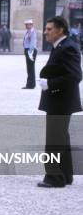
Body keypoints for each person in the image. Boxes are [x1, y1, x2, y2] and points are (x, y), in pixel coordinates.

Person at [37, 16, 82, 188]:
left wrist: (50, 84)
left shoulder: (67, 48)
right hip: (60, 100)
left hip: (60, 100)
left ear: (60, 30)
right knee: (61, 138)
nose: (45, 32)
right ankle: (66, 175)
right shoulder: (62, 46)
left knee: (54, 139)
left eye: (49, 29)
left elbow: (75, 76)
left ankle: (54, 178)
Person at [22, 19, 37, 89]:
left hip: (30, 51)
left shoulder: (32, 32)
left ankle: (31, 84)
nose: (26, 26)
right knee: (29, 68)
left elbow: (32, 43)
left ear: (31, 25)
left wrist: (30, 53)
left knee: (30, 68)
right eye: (26, 24)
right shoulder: (28, 32)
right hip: (28, 50)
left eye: (27, 24)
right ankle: (30, 84)